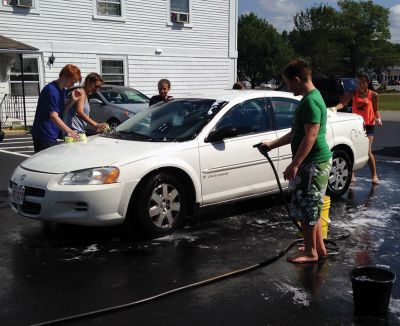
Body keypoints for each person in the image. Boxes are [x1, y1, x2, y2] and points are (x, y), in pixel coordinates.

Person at [259, 59, 332, 264]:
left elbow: (311, 136)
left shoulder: (310, 101)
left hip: (314, 164)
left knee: (309, 209)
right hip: (311, 163)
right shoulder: (310, 98)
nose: (287, 86)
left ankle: (311, 253)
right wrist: (272, 144)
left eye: (288, 82)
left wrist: (295, 164)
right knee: (311, 208)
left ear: (298, 79)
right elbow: (296, 133)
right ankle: (318, 248)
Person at [332, 73, 382, 184]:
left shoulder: (373, 95)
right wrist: (334, 108)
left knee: (367, 151)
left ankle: (374, 175)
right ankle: (352, 174)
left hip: (368, 126)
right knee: (353, 149)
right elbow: (343, 103)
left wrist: (378, 118)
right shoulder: (353, 93)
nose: (359, 84)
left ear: (367, 82)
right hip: (356, 125)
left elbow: (375, 110)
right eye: (358, 82)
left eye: (361, 82)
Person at [31, 64, 82, 153]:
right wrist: (69, 131)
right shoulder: (52, 91)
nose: (73, 84)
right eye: (72, 81)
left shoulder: (62, 90)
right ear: (65, 76)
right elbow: (54, 116)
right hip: (44, 134)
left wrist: (72, 101)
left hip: (51, 133)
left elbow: (61, 110)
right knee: (46, 164)